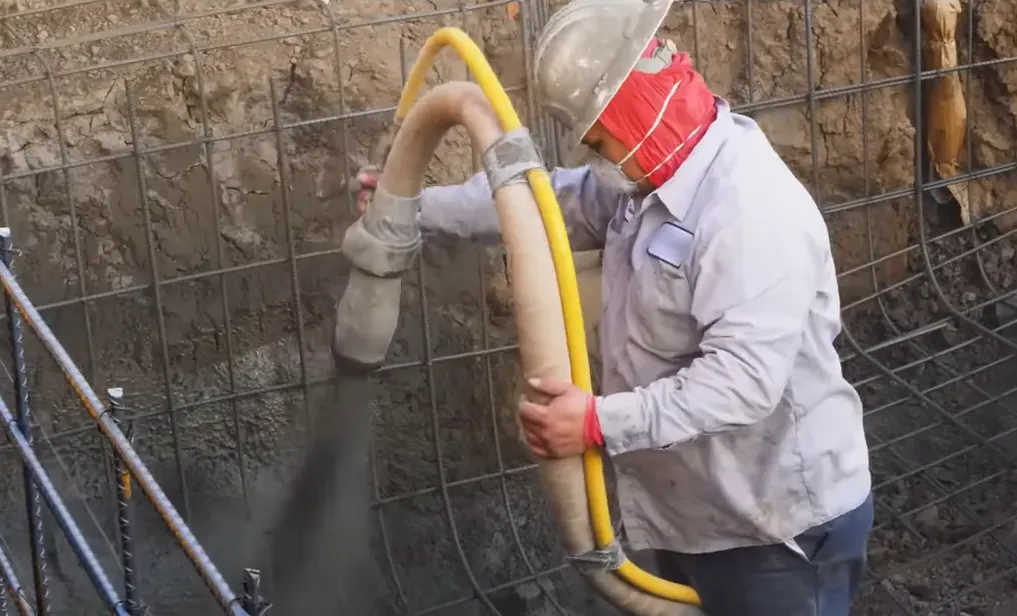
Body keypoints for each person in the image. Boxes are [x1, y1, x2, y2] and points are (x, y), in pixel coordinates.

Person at [352, 1, 873, 614]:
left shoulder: (748, 213)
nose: (599, 159)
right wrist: (414, 206)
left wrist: (597, 423)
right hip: (701, 509)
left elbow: (744, 382)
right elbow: (543, 206)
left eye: (600, 139)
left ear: (637, 108)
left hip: (777, 531)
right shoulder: (652, 175)